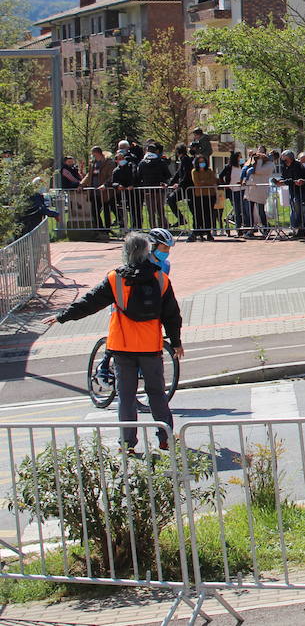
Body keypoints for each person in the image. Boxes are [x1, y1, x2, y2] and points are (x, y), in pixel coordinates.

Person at [44, 231, 184, 453]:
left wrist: (62, 316)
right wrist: (176, 342)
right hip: (150, 346)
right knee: (157, 393)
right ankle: (165, 438)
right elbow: (172, 315)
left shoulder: (115, 278)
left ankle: (127, 444)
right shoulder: (161, 279)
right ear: (147, 251)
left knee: (126, 397)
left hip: (122, 348)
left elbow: (89, 302)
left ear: (126, 252)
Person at [188, 154, 218, 241]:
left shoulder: (209, 170)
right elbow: (197, 183)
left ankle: (208, 232)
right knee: (199, 214)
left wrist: (204, 182)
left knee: (208, 214)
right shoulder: (194, 171)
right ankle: (199, 233)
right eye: (200, 162)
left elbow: (213, 180)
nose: (202, 163)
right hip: (199, 196)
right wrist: (206, 182)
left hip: (210, 195)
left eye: (203, 161)